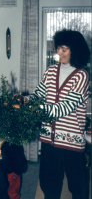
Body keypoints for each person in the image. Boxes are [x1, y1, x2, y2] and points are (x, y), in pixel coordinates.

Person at [22, 29, 90, 199]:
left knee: (78, 186)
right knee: (49, 184)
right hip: (48, 139)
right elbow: (39, 95)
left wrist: (37, 109)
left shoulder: (81, 75)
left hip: (72, 141)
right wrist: (25, 100)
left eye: (63, 49)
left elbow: (64, 108)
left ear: (74, 50)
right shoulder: (50, 71)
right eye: (57, 48)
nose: (59, 52)